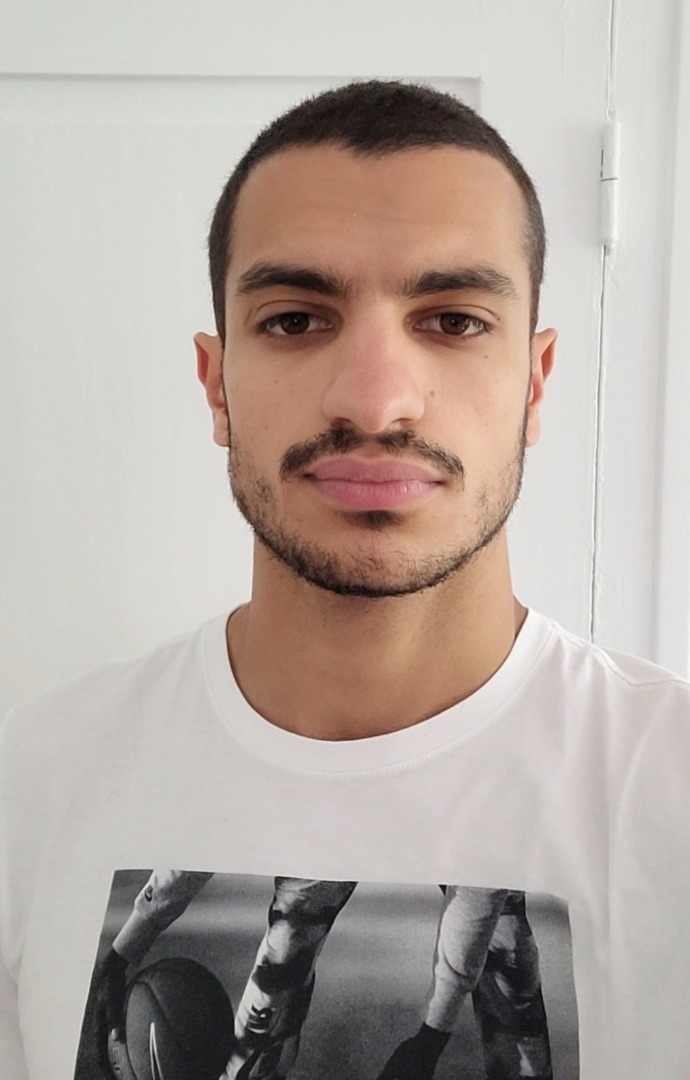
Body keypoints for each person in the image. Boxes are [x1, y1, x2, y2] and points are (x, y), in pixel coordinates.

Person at [0, 79, 688, 1080]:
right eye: (293, 319)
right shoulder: (31, 791)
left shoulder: (668, 793)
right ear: (216, 384)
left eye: (454, 320)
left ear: (535, 385)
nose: (374, 400)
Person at [80, 871, 551, 1079]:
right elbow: (224, 804)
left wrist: (432, 1035)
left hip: (434, 791)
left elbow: (481, 884)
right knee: (287, 947)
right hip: (344, 777)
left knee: (507, 948)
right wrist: (125, 949)